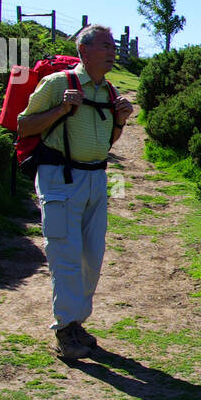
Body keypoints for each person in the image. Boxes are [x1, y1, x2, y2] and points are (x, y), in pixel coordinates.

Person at [16, 24, 133, 359]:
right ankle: (65, 329)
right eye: (105, 45)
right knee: (65, 254)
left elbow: (106, 142)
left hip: (96, 179)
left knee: (91, 257)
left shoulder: (108, 91)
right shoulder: (57, 84)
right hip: (59, 176)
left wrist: (121, 121)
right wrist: (62, 109)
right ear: (84, 51)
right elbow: (23, 125)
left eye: (113, 46)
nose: (112, 51)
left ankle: (76, 323)